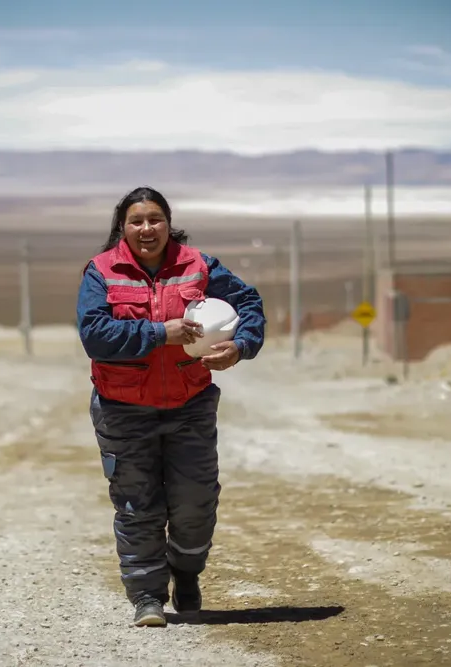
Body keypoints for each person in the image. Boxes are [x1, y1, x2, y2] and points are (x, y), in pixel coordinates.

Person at [76, 186, 266, 627]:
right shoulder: (101, 272)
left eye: (155, 219)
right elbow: (95, 335)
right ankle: (147, 597)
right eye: (137, 221)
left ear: (168, 222)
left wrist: (240, 346)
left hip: (189, 403)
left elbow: (249, 303)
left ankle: (186, 572)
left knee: (195, 501)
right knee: (136, 504)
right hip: (122, 406)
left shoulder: (198, 266)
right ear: (122, 227)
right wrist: (163, 332)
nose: (147, 229)